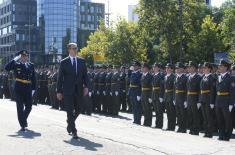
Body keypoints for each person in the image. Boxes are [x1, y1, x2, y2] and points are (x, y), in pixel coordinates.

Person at [56, 43, 88, 139]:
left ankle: (70, 122)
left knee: (79, 109)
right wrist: (59, 91)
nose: (75, 50)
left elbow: (85, 75)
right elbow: (60, 77)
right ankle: (74, 131)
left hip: (78, 89)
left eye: (76, 48)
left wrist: (86, 87)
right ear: (69, 50)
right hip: (67, 90)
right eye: (73, 48)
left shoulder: (82, 61)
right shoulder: (64, 62)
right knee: (69, 110)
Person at [5, 50, 36, 131]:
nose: (24, 57)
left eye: (25, 56)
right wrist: (15, 59)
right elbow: (7, 68)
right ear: (20, 57)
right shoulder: (16, 64)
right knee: (20, 107)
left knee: (29, 106)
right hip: (19, 87)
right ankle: (22, 124)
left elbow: (33, 78)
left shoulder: (31, 65)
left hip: (28, 87)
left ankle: (23, 119)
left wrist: (33, 89)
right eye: (22, 56)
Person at [215, 59, 235, 141]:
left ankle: (227, 135)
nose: (219, 67)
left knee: (228, 120)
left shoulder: (231, 78)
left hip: (226, 101)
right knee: (220, 119)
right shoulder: (218, 76)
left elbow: (232, 91)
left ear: (226, 67)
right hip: (218, 101)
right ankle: (221, 134)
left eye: (221, 66)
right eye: (219, 66)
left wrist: (231, 103)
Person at [199, 62, 216, 138]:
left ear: (209, 69)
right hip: (203, 99)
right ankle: (206, 131)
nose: (204, 69)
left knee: (209, 117)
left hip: (208, 99)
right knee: (205, 117)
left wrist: (212, 102)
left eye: (205, 68)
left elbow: (212, 90)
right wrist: (199, 100)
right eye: (203, 68)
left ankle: (210, 133)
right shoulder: (203, 77)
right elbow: (200, 90)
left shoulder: (212, 77)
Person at [174, 62, 188, 133]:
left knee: (183, 114)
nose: (177, 70)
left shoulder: (185, 78)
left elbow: (186, 90)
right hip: (177, 97)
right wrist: (174, 98)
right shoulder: (176, 77)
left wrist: (186, 100)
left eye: (178, 68)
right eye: (176, 68)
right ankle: (180, 127)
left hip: (182, 97)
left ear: (182, 69)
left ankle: (183, 128)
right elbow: (175, 89)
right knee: (178, 113)